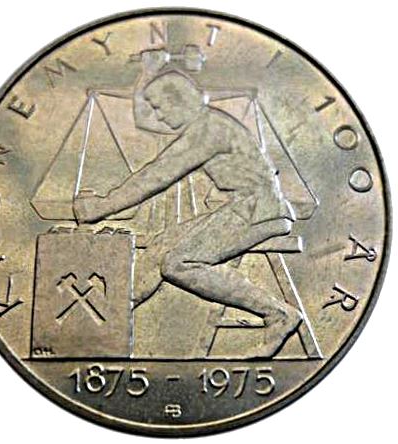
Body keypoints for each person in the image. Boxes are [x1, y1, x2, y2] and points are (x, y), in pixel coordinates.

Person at [74, 70, 302, 357]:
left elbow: (159, 174)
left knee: (177, 263)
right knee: (159, 245)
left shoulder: (210, 128)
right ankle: (113, 318)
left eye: (159, 107)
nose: (158, 117)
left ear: (178, 100)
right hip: (244, 206)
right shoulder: (207, 125)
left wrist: (101, 207)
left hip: (259, 210)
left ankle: (278, 313)